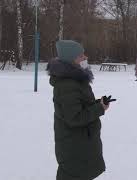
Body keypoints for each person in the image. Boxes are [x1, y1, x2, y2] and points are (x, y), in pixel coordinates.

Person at [47, 40, 114, 180]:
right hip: (74, 147)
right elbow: (74, 118)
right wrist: (99, 108)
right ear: (71, 60)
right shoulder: (67, 84)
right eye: (81, 56)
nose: (85, 58)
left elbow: (80, 106)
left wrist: (98, 104)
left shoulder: (76, 79)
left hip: (81, 143)